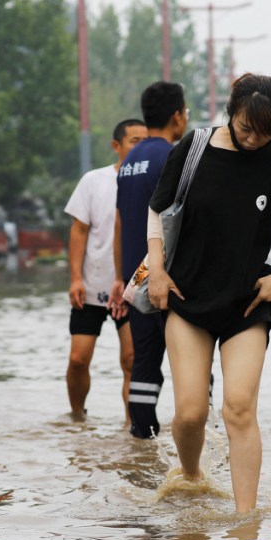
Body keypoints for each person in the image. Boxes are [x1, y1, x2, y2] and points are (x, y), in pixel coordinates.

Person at [146, 73, 271, 513]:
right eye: (245, 128)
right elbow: (157, 209)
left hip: (247, 302)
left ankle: (245, 524)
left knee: (238, 407)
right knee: (192, 413)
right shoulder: (194, 148)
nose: (254, 139)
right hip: (188, 296)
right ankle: (192, 474)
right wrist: (156, 269)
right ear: (230, 114)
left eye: (265, 130)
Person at [110, 81, 187, 439]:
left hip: (136, 277)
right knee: (191, 360)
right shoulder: (173, 155)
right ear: (177, 115)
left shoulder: (129, 161)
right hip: (167, 276)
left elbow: (121, 221)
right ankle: (205, 443)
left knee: (144, 363)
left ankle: (142, 440)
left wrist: (121, 275)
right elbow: (181, 218)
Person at [64, 119, 146, 422]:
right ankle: (76, 417)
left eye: (145, 141)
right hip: (91, 285)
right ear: (117, 145)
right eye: (134, 140)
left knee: (131, 359)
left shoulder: (149, 180)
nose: (140, 147)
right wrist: (74, 278)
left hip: (131, 287)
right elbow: (79, 230)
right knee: (78, 359)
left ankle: (130, 428)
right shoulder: (94, 180)